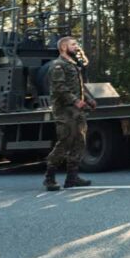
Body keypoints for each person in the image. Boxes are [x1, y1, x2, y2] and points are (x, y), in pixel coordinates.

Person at [43, 37, 96, 191]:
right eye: (73, 44)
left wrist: (89, 100)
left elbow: (78, 88)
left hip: (76, 111)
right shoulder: (57, 65)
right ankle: (49, 178)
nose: (77, 46)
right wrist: (74, 101)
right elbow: (60, 88)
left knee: (79, 142)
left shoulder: (73, 65)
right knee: (64, 142)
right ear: (64, 47)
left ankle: (72, 178)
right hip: (64, 111)